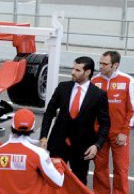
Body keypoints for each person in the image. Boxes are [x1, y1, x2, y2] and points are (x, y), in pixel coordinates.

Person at [39, 56, 110, 185]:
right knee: (52, 180)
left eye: (77, 70)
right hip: (58, 144)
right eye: (73, 68)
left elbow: (105, 124)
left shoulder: (98, 95)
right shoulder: (63, 87)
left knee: (79, 182)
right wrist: (44, 137)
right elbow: (49, 113)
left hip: (82, 146)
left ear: (87, 72)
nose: (73, 72)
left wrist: (97, 145)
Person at [92, 51, 134, 194]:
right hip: (100, 135)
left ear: (115, 65)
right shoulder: (94, 81)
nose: (101, 67)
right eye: (100, 63)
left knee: (121, 169)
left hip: (119, 134)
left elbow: (133, 110)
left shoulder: (128, 81)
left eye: (104, 64)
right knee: (100, 169)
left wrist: (125, 132)